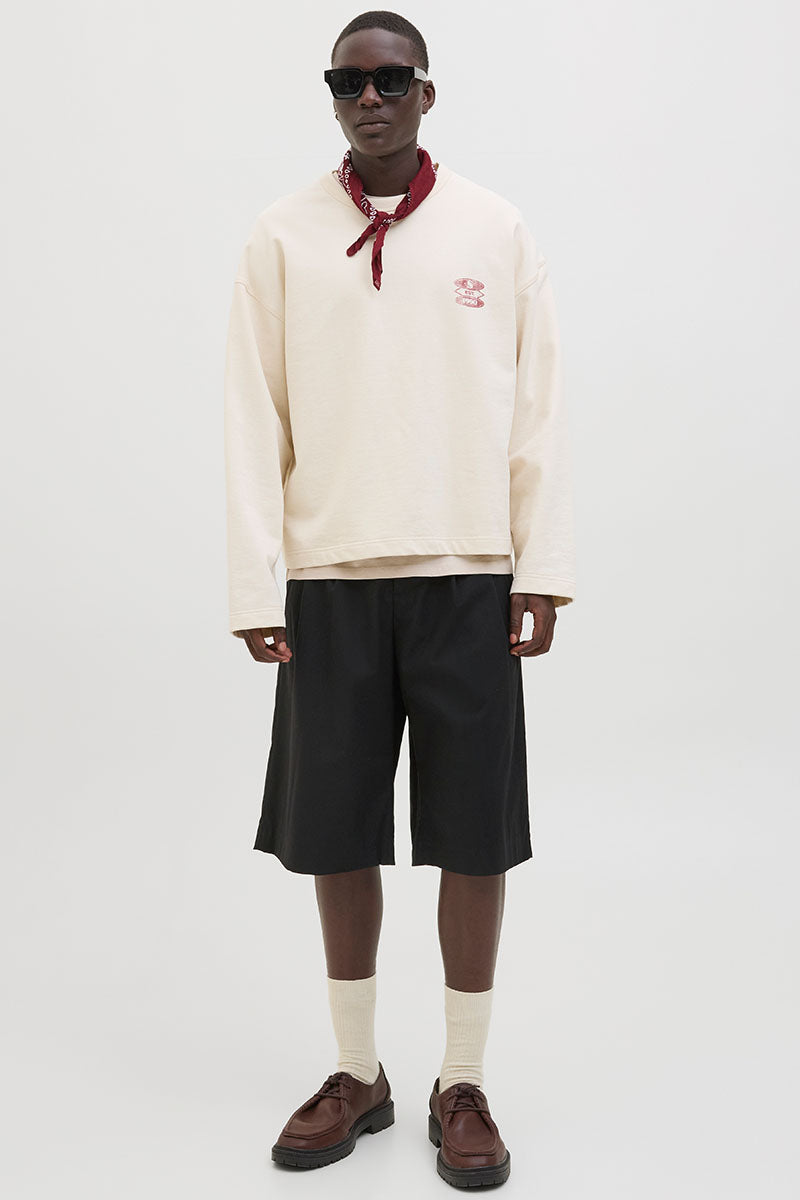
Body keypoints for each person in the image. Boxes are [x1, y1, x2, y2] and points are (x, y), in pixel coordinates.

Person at [223, 9, 575, 1188]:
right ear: (331, 97)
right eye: (345, 81)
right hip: (329, 579)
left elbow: (537, 407)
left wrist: (541, 566)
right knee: (336, 833)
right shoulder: (281, 235)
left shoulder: (493, 227)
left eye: (387, 79)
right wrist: (256, 577)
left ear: (426, 92)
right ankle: (357, 1070)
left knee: (474, 836)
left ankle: (460, 1080)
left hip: (467, 577)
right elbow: (249, 413)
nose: (366, 99)